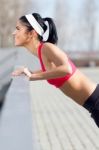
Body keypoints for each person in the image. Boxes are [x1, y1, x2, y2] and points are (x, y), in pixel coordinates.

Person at [12, 12, 99, 127]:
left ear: (31, 33)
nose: (14, 33)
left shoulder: (46, 47)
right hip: (93, 106)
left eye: (18, 29)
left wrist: (33, 76)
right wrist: (30, 72)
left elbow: (67, 69)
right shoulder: (41, 51)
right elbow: (51, 70)